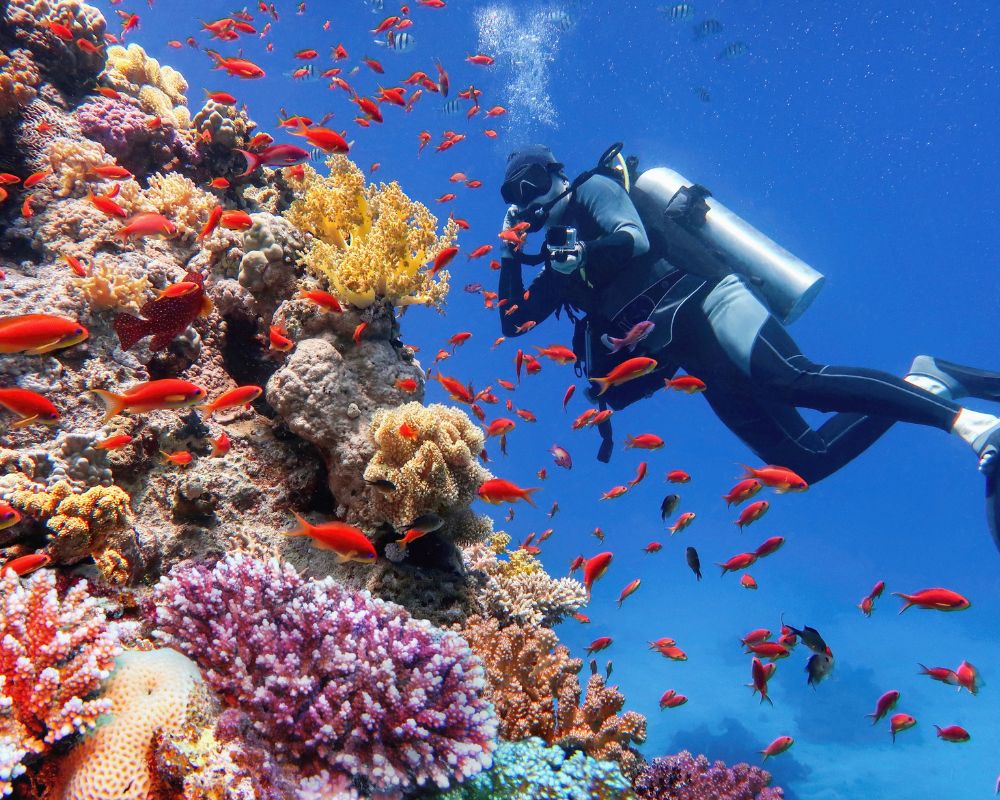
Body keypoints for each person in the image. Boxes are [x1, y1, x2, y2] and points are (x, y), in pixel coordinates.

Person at [496, 144, 1000, 545]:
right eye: (514, 194)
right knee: (804, 462)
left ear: (556, 174)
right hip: (689, 357)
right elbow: (513, 324)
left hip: (709, 302)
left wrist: (582, 250)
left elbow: (635, 239)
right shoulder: (556, 269)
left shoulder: (593, 190)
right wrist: (512, 257)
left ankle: (966, 425)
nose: (526, 198)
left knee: (793, 378)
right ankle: (929, 381)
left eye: (532, 182)